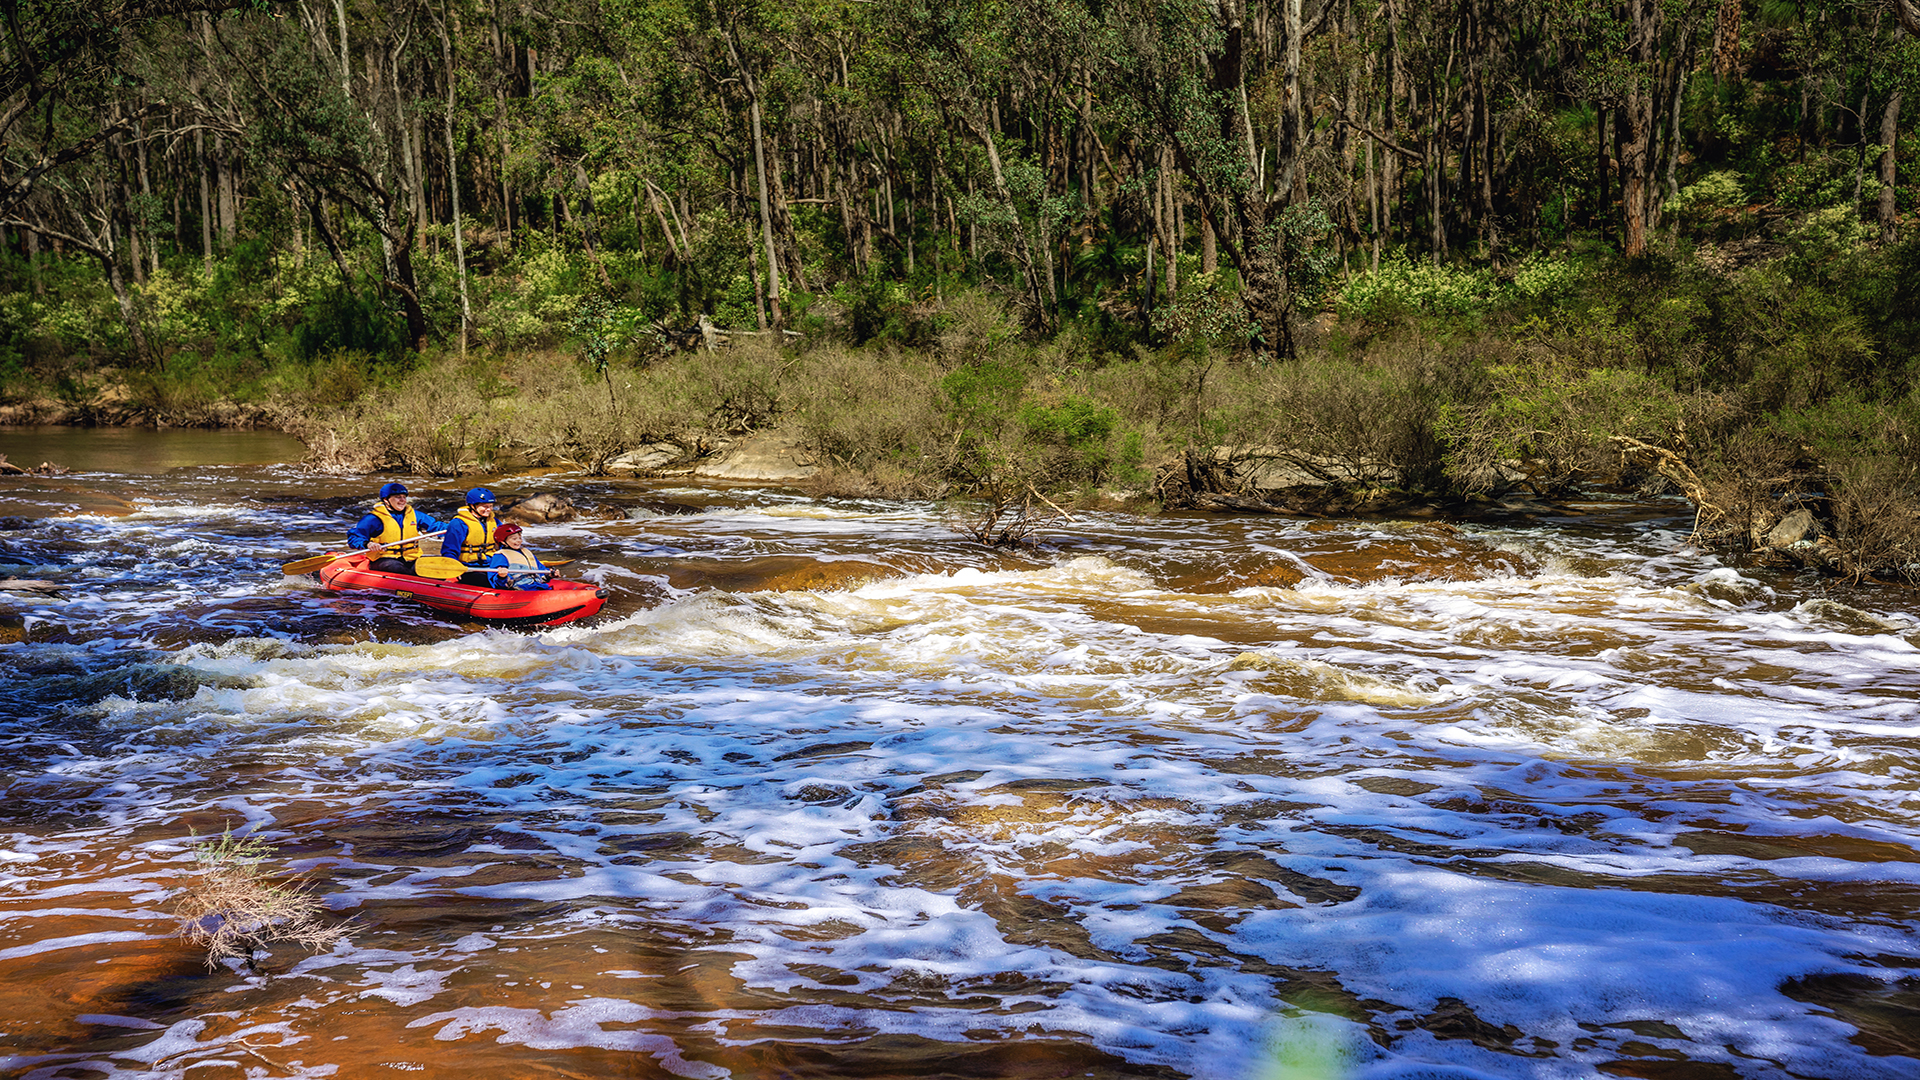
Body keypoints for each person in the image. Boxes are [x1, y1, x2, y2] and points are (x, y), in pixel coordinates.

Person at [347, 482, 445, 574]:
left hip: (411, 558)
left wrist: (455, 528)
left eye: (404, 497)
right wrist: (367, 544)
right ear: (386, 500)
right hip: (384, 559)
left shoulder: (415, 515)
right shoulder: (373, 518)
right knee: (397, 569)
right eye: (398, 497)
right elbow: (354, 538)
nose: (403, 500)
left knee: (436, 570)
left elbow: (436, 526)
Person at [441, 487, 501, 586]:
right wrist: (453, 570)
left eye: (490, 506)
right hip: (468, 567)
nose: (489, 509)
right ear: (472, 506)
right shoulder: (459, 523)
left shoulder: (495, 522)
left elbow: (504, 544)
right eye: (485, 506)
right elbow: (450, 550)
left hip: (491, 564)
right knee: (483, 580)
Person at [482, 523, 553, 590]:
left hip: (536, 586)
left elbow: (541, 569)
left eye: (520, 538)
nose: (519, 541)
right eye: (514, 539)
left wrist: (550, 574)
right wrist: (501, 577)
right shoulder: (501, 556)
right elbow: (496, 582)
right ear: (503, 542)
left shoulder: (526, 552)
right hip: (520, 588)